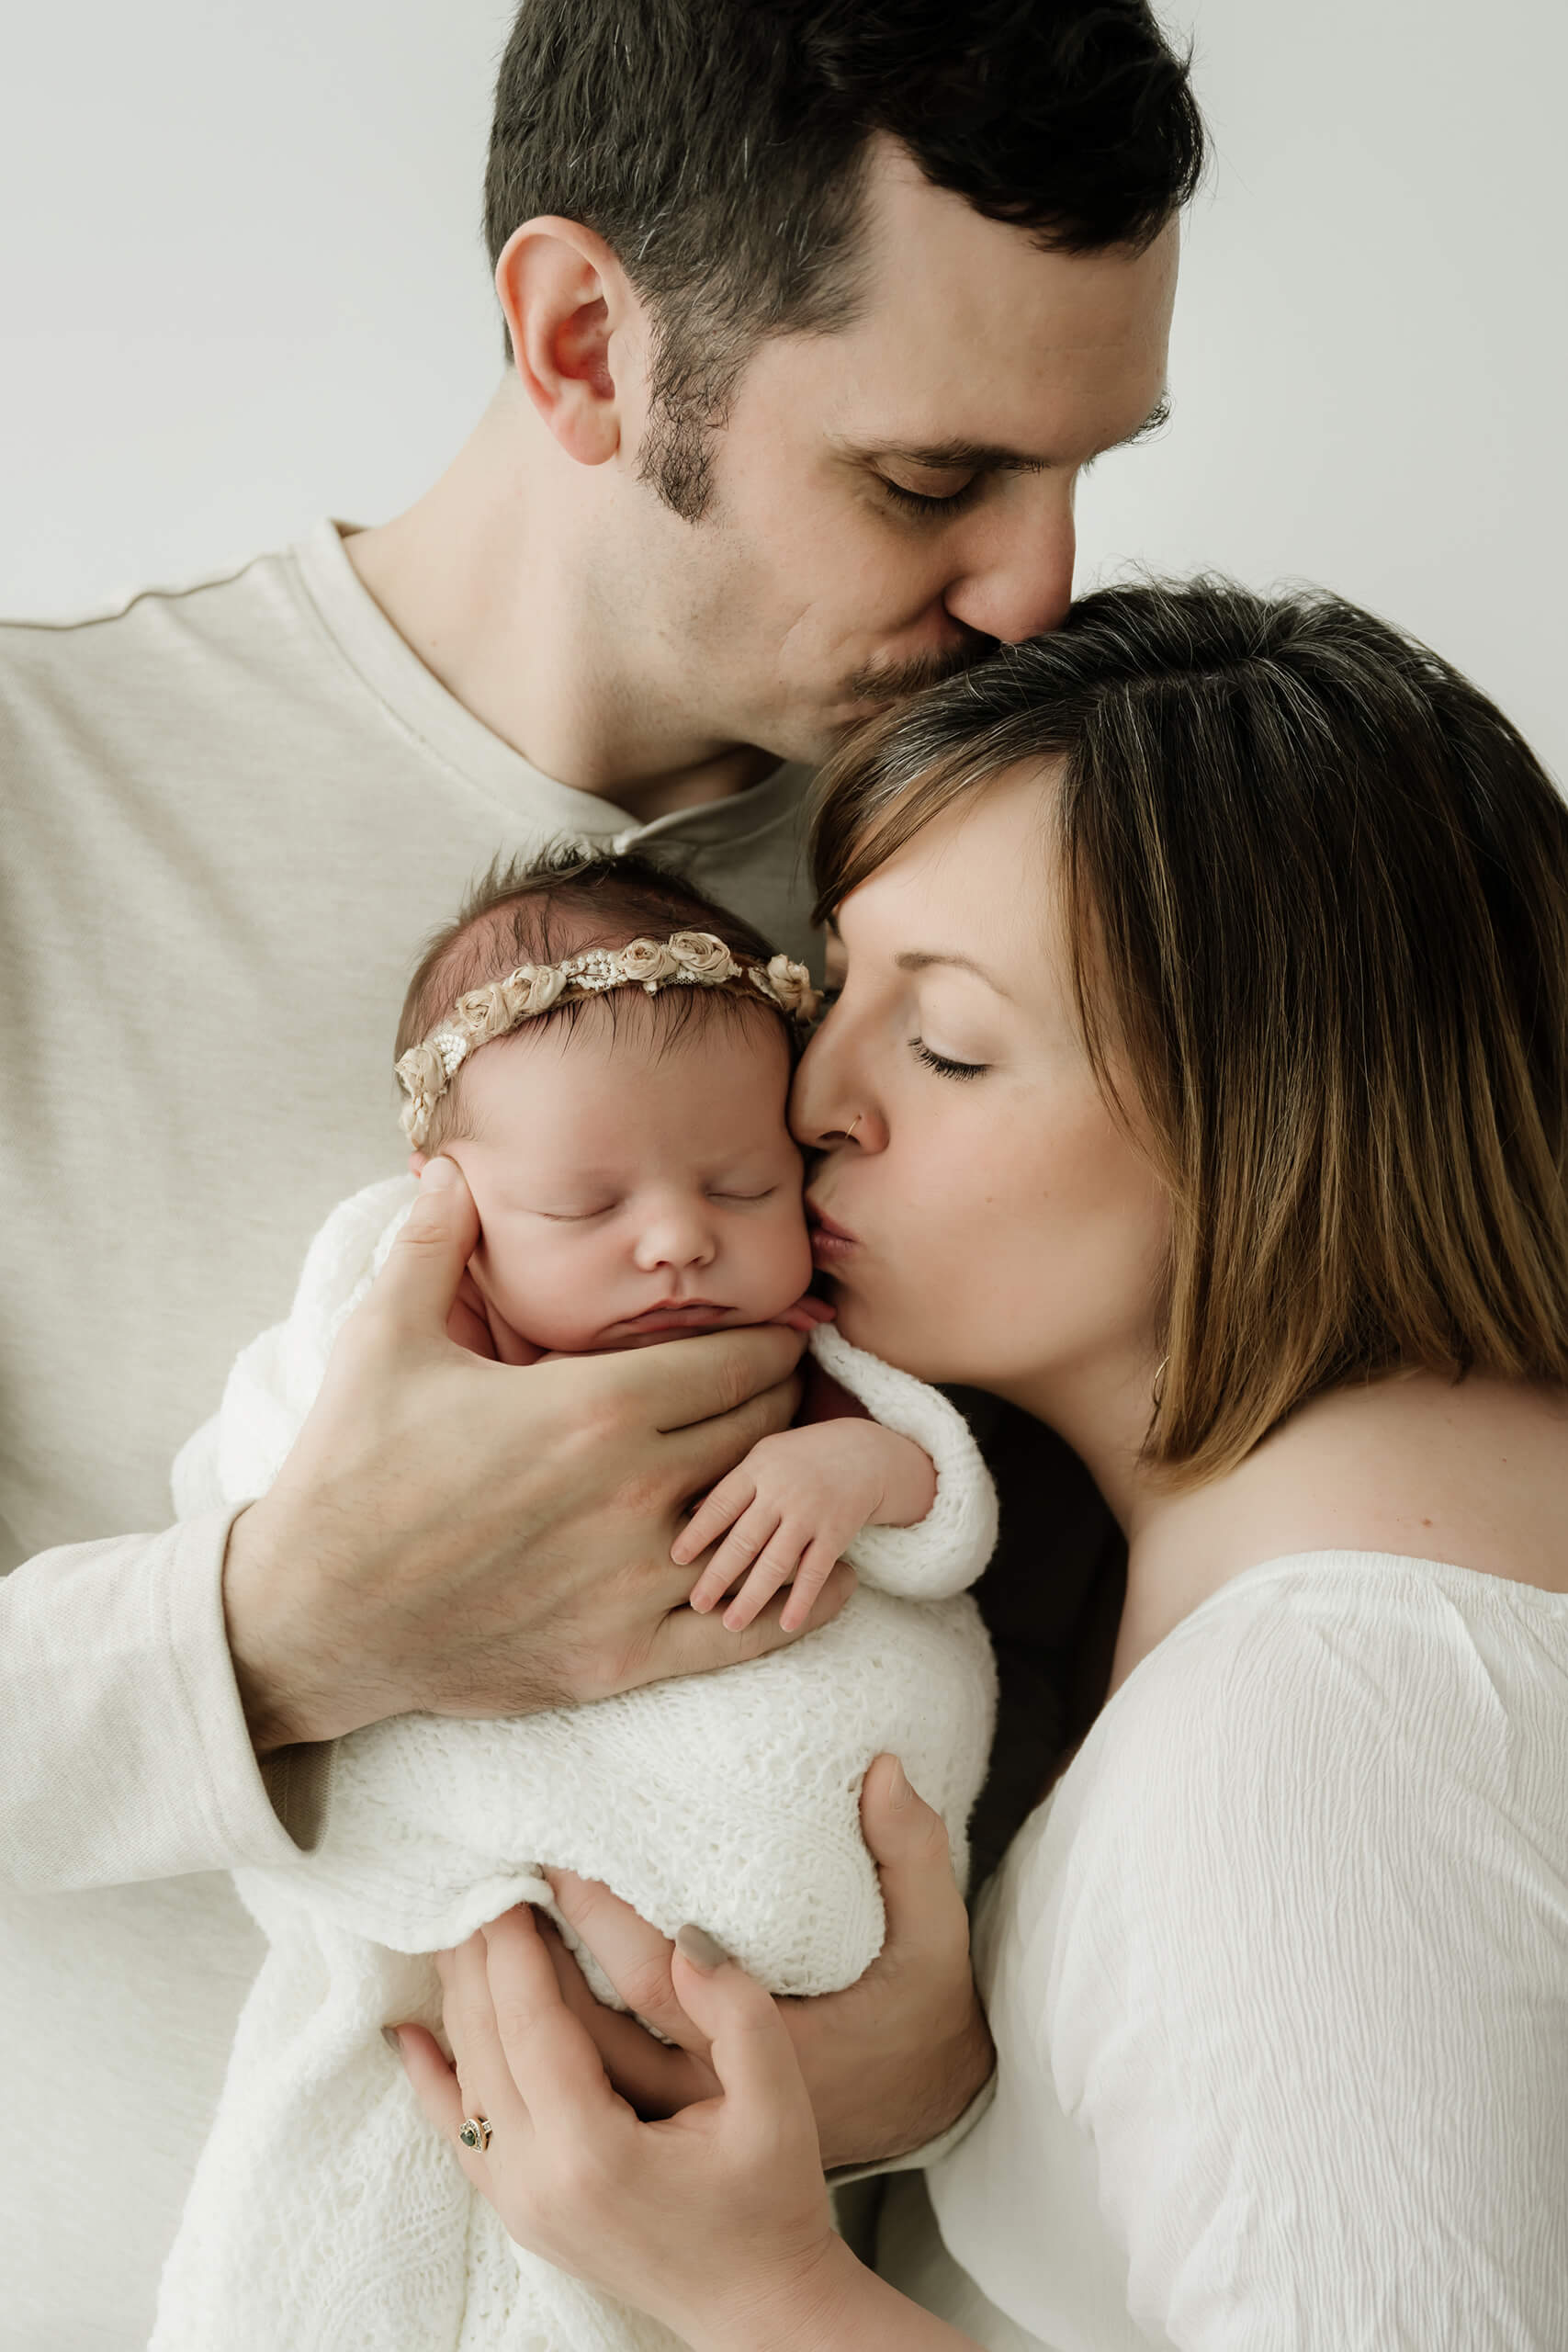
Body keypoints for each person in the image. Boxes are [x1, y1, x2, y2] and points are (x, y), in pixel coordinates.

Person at [0, 5, 1202, 2331]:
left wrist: (941, 2063)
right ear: (578, 342)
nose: (1037, 593)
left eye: (1088, 464)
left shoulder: (1014, 915)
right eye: (931, 474)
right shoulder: (44, 820)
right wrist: (280, 1624)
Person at [400, 579, 1568, 2350]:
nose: (809, 1101)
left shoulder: (1319, 1729)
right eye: (838, 985)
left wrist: (757, 2291)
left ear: (1279, 1103)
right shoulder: (1381, 1606)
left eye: (946, 1041)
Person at [152, 845, 998, 2350]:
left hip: (750, 1963)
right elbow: (265, 1500)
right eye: (584, 1204)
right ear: (455, 1218)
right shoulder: (406, 1365)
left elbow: (942, 1511)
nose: (676, 1236)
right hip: (462, 1949)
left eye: (741, 1183)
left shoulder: (803, 1360)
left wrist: (853, 1474)